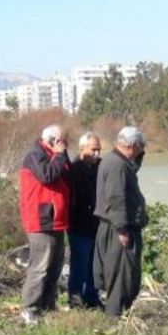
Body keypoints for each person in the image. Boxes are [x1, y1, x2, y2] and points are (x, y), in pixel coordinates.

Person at [93, 126, 148, 317]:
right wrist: (122, 230)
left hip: (113, 228)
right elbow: (116, 199)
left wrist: (139, 155)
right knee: (121, 278)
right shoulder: (118, 165)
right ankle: (114, 322)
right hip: (118, 230)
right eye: (141, 146)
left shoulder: (115, 160)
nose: (143, 149)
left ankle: (117, 317)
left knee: (123, 276)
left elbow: (132, 170)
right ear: (132, 145)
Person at [19, 124, 71, 324]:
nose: (65, 145)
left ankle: (48, 304)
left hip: (56, 220)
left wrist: (62, 156)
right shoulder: (35, 155)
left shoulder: (56, 155)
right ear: (52, 140)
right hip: (40, 219)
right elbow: (47, 176)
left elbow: (66, 177)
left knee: (55, 265)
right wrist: (58, 156)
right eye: (62, 141)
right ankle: (29, 308)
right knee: (40, 266)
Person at [67, 132, 102, 308]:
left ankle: (92, 298)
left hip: (95, 225)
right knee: (79, 266)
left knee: (94, 267)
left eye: (99, 150)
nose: (97, 154)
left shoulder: (98, 167)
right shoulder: (74, 169)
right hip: (78, 225)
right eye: (93, 150)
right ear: (82, 149)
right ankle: (75, 302)